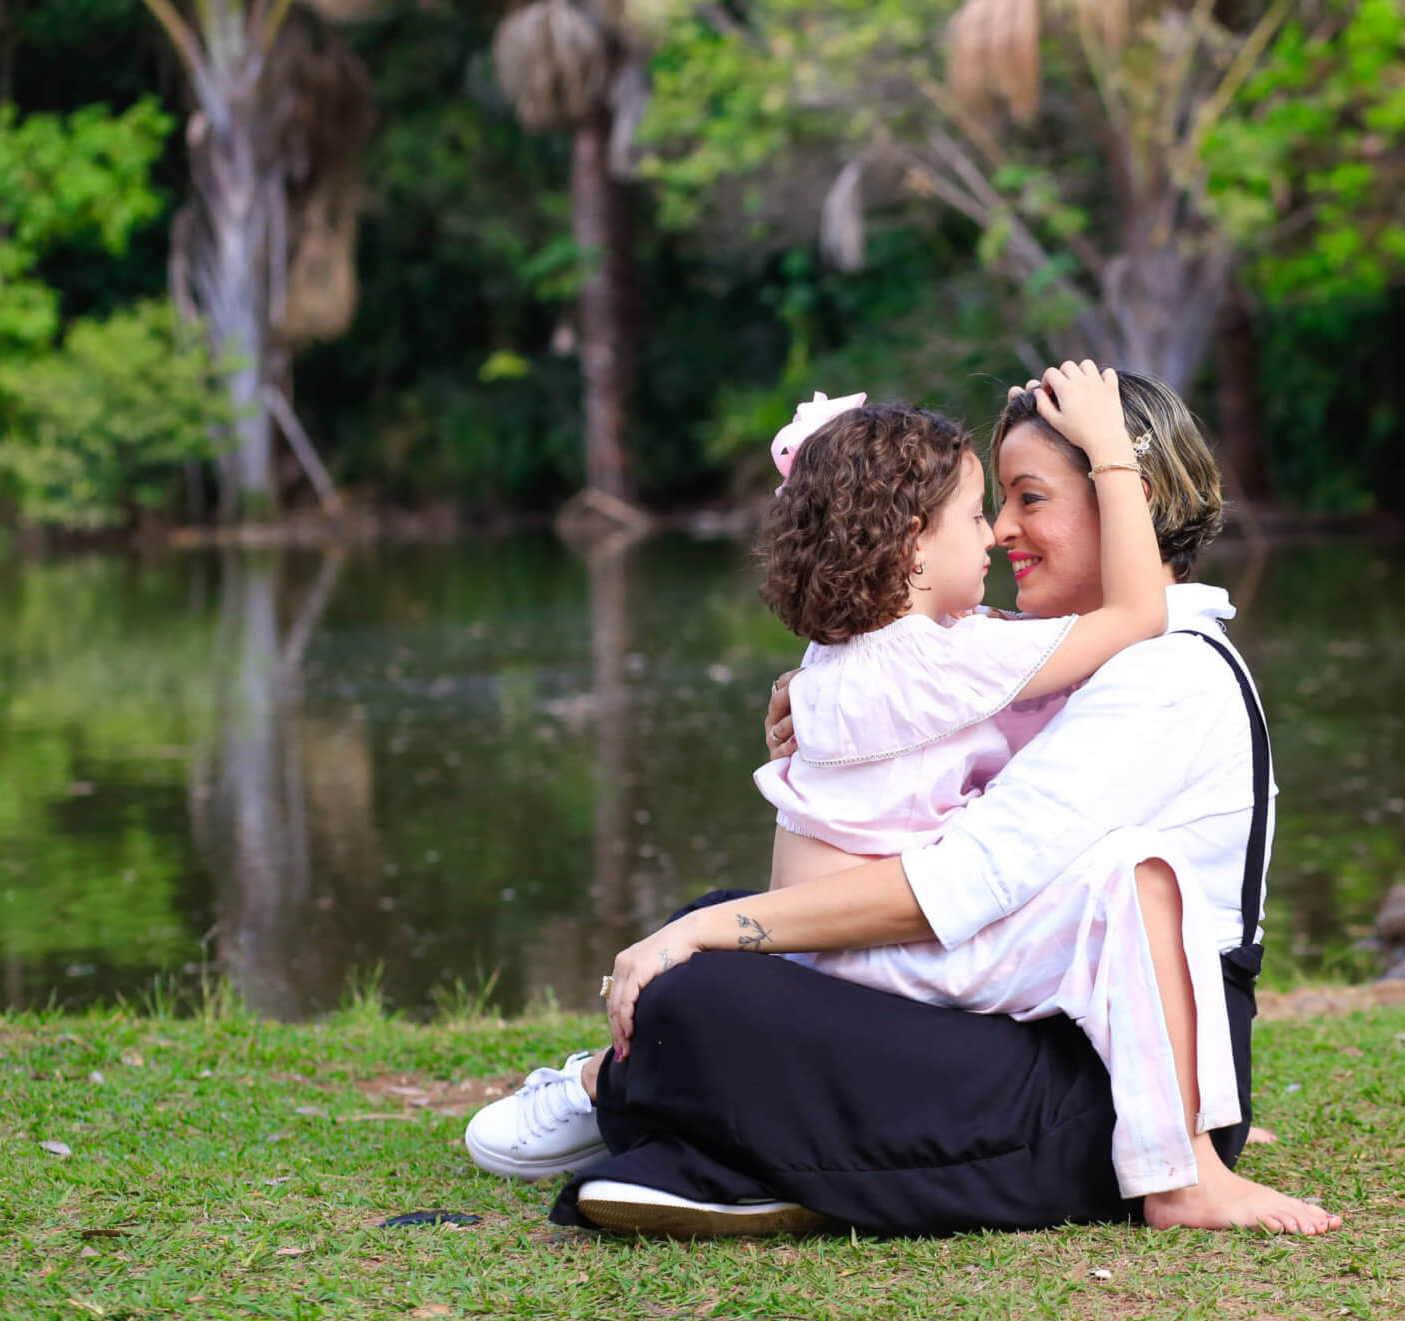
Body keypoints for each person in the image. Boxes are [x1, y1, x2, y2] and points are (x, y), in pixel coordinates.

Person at [464, 369, 1341, 1238]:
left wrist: (698, 938)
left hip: (1081, 1081)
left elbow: (958, 885)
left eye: (1029, 499)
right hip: (1053, 1026)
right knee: (726, 926)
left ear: (1126, 502)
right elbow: (917, 697)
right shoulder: (1059, 654)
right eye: (993, 504)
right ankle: (707, 1128)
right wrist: (826, 710)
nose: (1002, 530)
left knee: (703, 977)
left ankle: (684, 1128)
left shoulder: (1165, 673)